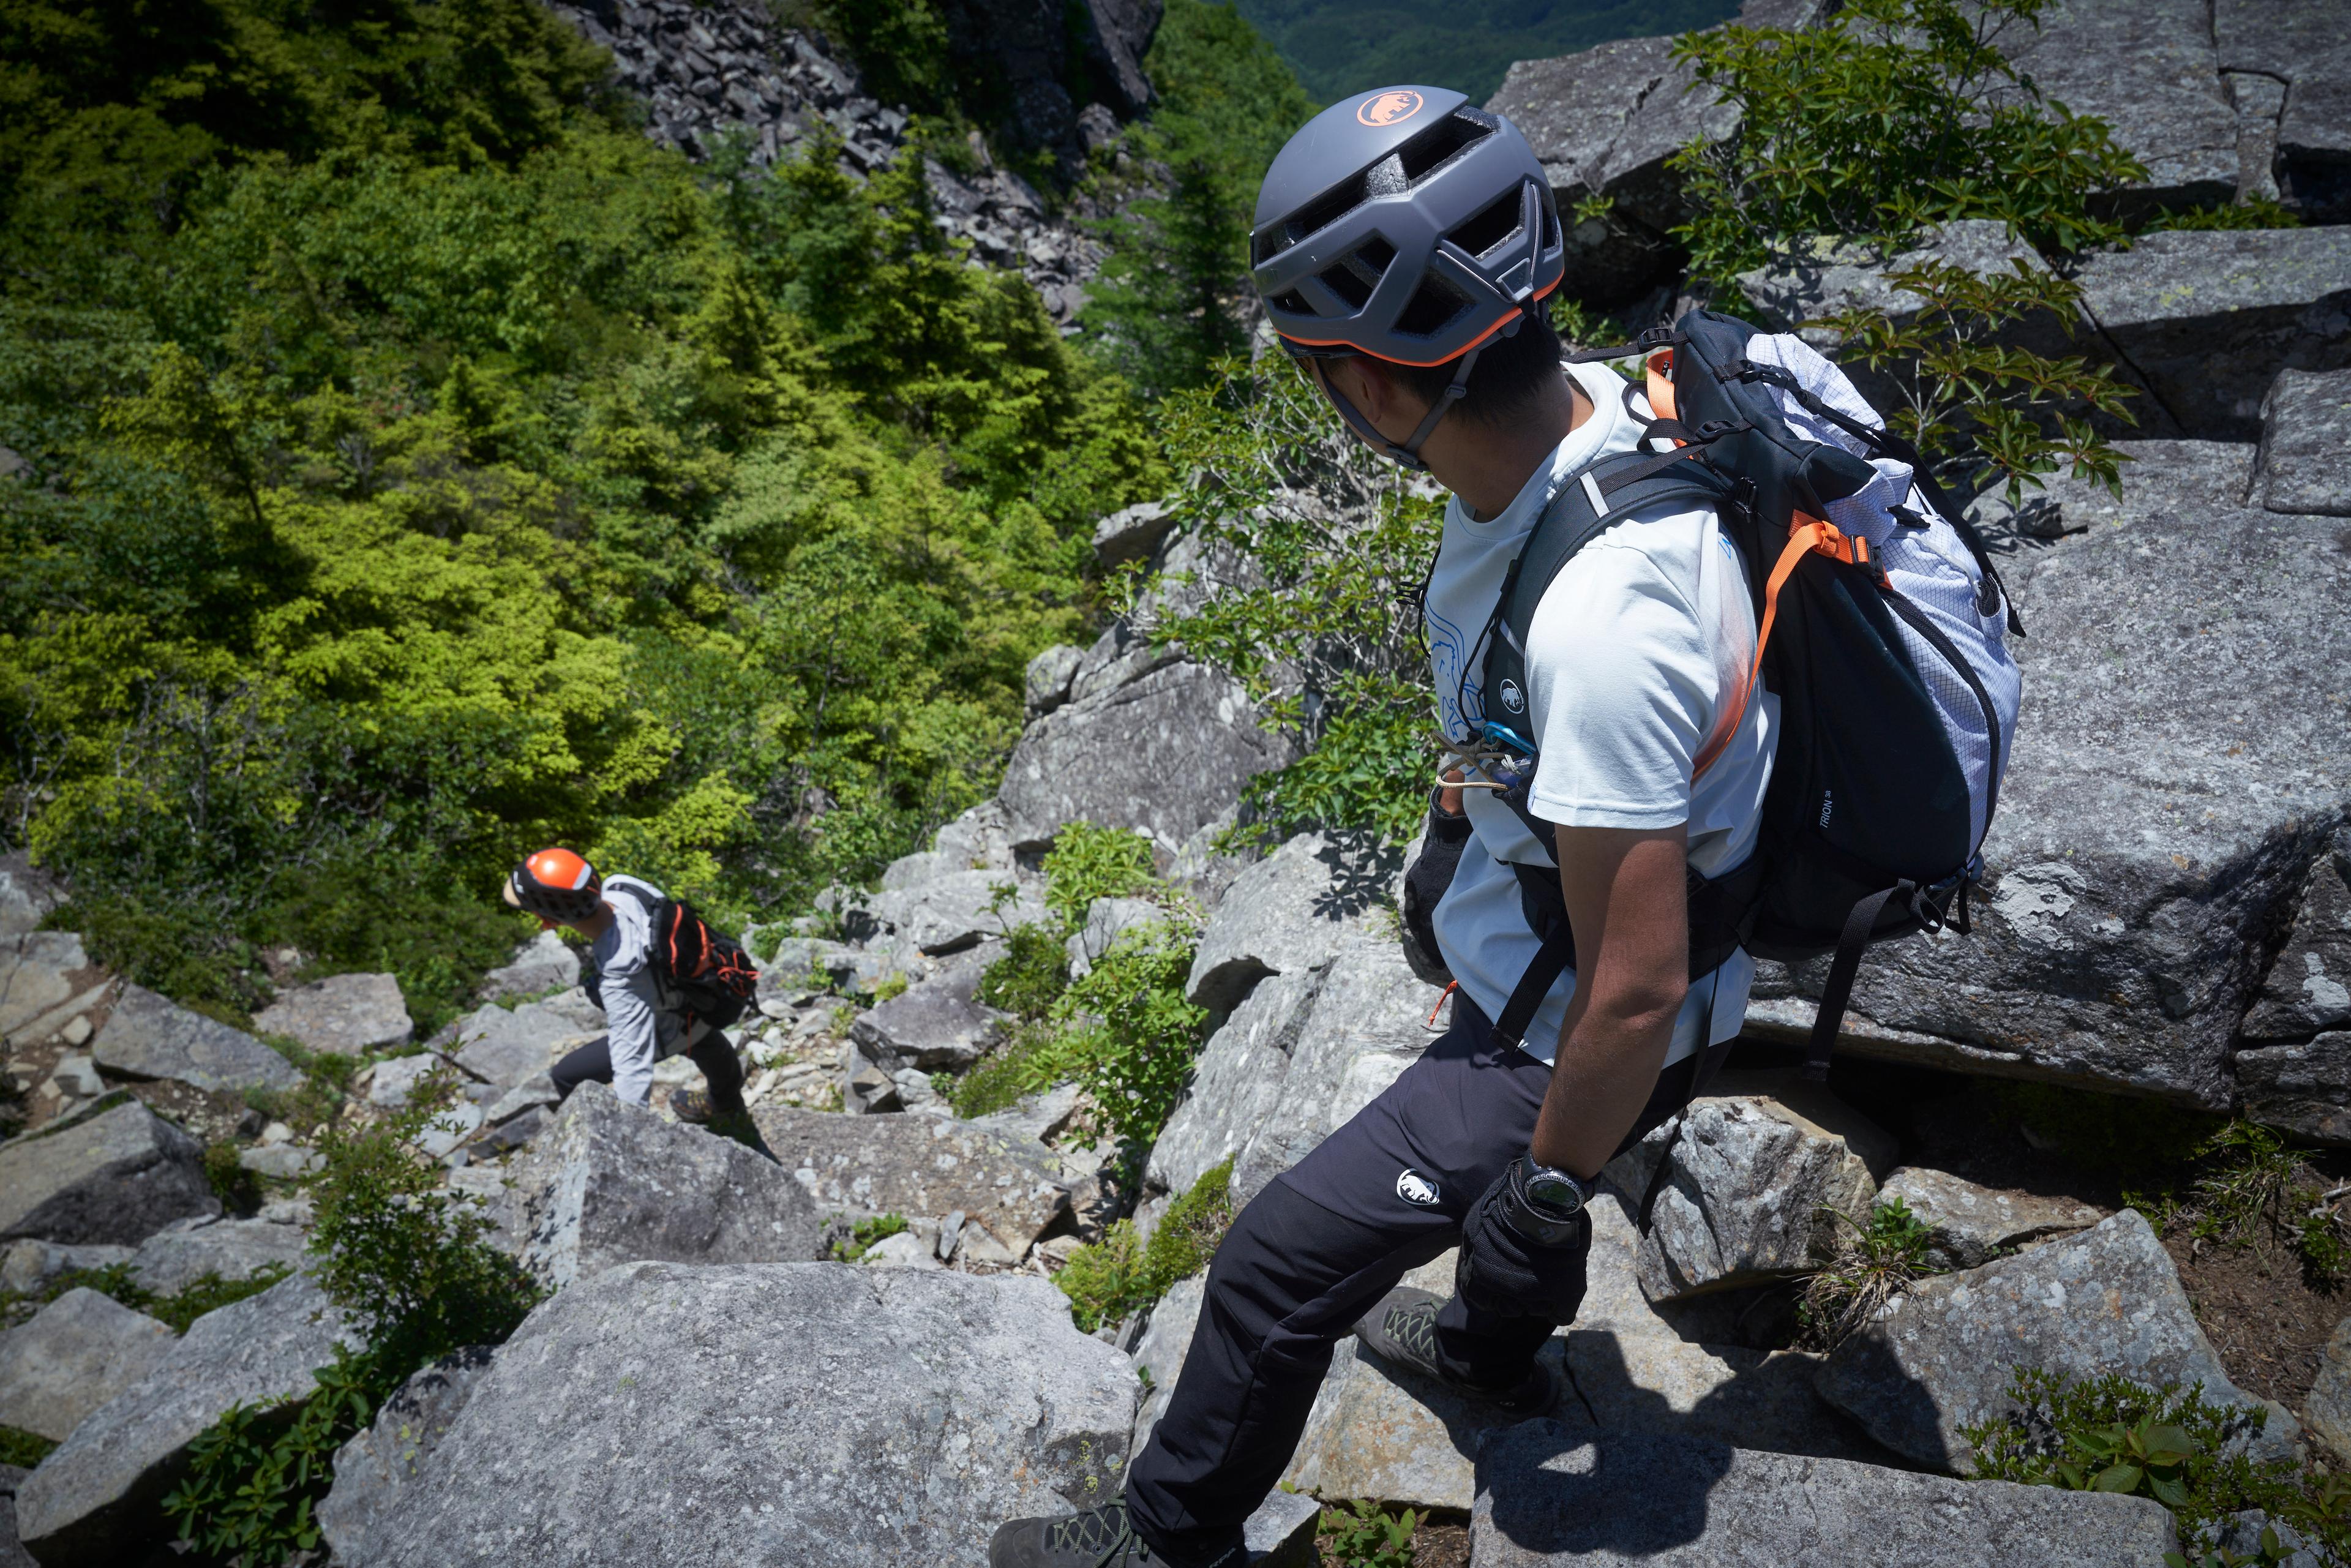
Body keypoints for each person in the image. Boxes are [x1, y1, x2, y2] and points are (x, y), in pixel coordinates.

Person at [990, 85, 1775, 1568]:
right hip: (1542, 966)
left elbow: (1631, 982)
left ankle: (1166, 1538)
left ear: (1375, 386)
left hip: (1575, 1024)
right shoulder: (1598, 407)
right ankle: (1489, 1347)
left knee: (1273, 1262)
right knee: (1504, 1201)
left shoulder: (1603, 620)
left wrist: (1548, 1178)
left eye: (1314, 366)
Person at [501, 847, 749, 1128]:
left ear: (549, 921)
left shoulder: (621, 975)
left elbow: (632, 1065)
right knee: (713, 1049)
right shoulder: (625, 887)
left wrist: (626, 1137)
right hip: (703, 993)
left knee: (565, 1076)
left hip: (676, 1024)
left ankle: (588, 1130)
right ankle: (728, 1107)